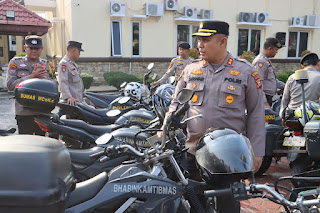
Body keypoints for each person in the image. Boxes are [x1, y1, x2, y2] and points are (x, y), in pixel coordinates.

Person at [159, 20, 265, 212]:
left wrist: (257, 151)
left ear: (222, 42)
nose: (199, 45)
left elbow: (256, 113)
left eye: (205, 40)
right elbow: (175, 103)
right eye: (199, 39)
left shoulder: (245, 71)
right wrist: (164, 129)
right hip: (194, 152)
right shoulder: (191, 70)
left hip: (229, 158)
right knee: (196, 203)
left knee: (226, 206)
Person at [7, 35, 56, 135]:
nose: (34, 51)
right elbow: (10, 85)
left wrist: (43, 78)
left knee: (41, 144)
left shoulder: (47, 65)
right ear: (25, 48)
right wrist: (31, 77)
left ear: (41, 49)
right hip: (24, 112)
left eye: (37, 48)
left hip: (42, 111)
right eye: (31, 48)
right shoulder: (15, 63)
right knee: (26, 145)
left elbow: (55, 85)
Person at [280, 52, 320, 126]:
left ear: (302, 66)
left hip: (292, 116)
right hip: (313, 118)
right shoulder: (319, 77)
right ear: (318, 63)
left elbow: (285, 99)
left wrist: (283, 116)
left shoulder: (292, 77)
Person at [252, 37, 285, 107]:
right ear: (270, 49)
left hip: (268, 98)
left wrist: (285, 86)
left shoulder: (266, 60)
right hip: (262, 99)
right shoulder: (260, 62)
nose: (276, 52)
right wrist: (264, 102)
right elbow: (258, 83)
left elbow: (272, 79)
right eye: (276, 50)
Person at [58, 41, 84, 106]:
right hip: (71, 102)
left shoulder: (72, 64)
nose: (79, 54)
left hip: (77, 101)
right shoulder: (64, 64)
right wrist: (68, 97)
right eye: (79, 51)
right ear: (73, 50)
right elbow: (63, 82)